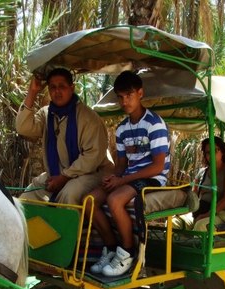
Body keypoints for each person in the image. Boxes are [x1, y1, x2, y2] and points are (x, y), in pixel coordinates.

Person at [87, 71, 171, 277]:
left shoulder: (155, 124)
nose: (125, 101)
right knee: (90, 200)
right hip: (130, 177)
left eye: (129, 95)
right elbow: (121, 164)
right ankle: (111, 248)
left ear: (140, 93)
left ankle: (127, 252)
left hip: (152, 178)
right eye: (121, 97)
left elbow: (158, 166)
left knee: (115, 200)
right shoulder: (122, 129)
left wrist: (122, 181)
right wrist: (113, 177)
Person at [16, 68, 113, 205]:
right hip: (58, 175)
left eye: (62, 86)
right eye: (53, 87)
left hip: (92, 173)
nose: (57, 91)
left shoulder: (88, 117)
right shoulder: (46, 114)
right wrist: (32, 91)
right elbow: (23, 128)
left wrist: (64, 177)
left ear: (72, 88)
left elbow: (92, 157)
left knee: (68, 194)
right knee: (27, 198)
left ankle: (73, 227)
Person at [190, 136, 225, 231]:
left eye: (215, 150)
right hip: (201, 211)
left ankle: (193, 245)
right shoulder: (202, 172)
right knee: (175, 222)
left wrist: (207, 215)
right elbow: (194, 195)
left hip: (222, 215)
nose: (211, 155)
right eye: (208, 152)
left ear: (222, 152)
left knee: (201, 225)